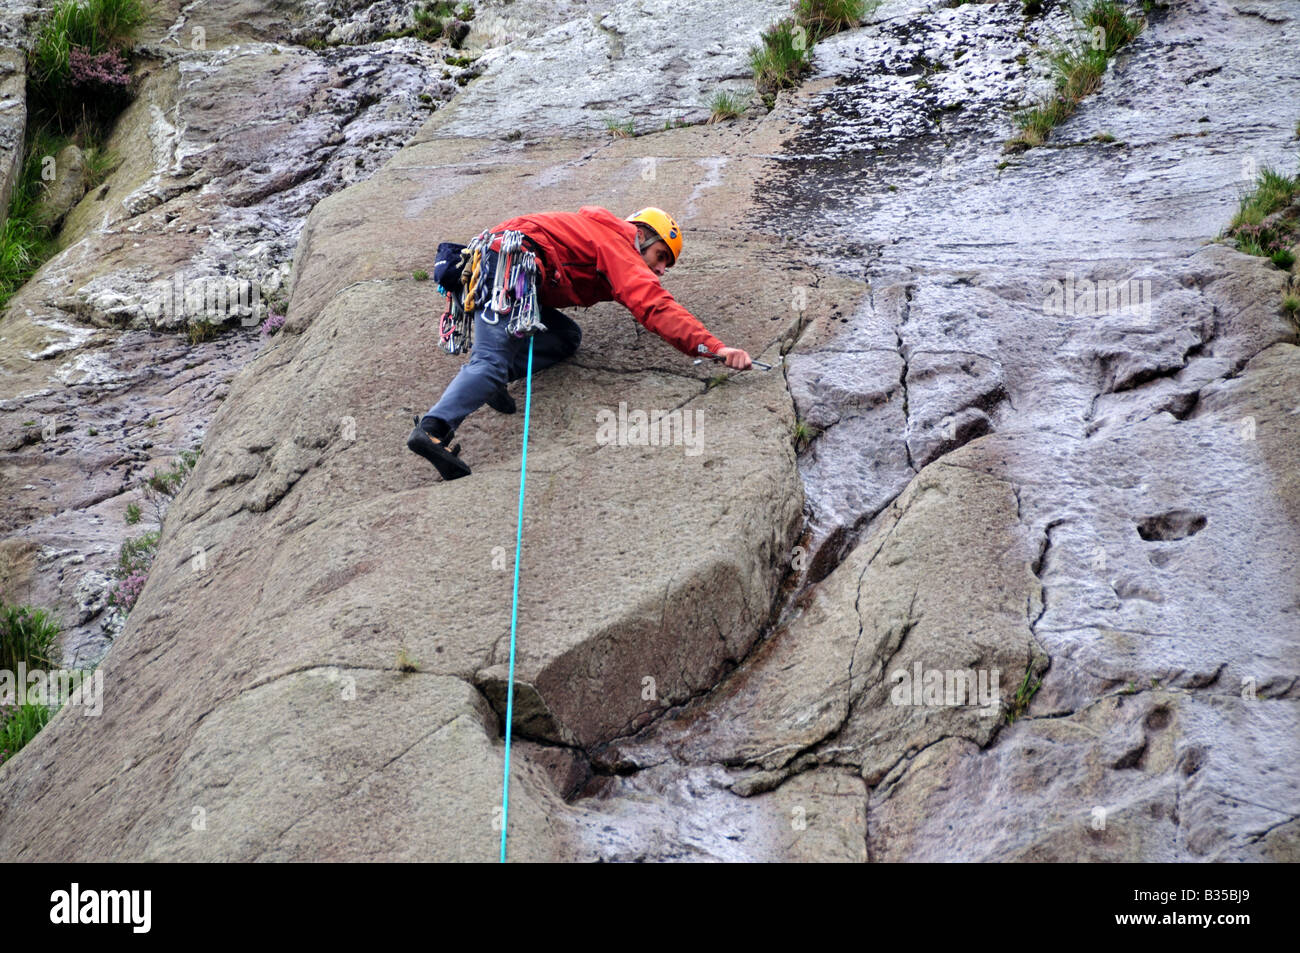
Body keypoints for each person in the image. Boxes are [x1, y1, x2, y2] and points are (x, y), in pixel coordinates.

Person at [408, 206, 752, 479]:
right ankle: (433, 429)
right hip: (508, 267)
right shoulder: (616, 245)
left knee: (565, 337)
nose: (661, 269)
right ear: (642, 235)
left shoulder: (600, 236)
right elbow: (654, 305)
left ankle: (499, 377)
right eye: (661, 255)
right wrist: (714, 348)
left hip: (499, 265)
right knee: (488, 363)